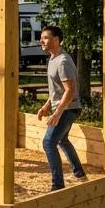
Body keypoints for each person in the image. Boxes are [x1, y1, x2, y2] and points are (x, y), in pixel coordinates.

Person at [36, 24, 88, 191]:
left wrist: (57, 113)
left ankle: (57, 185)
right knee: (62, 140)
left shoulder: (63, 61)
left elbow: (70, 91)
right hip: (63, 107)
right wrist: (46, 107)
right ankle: (79, 173)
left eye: (45, 37)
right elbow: (56, 91)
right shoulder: (52, 59)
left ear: (56, 40)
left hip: (69, 108)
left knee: (48, 142)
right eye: (41, 37)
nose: (41, 40)